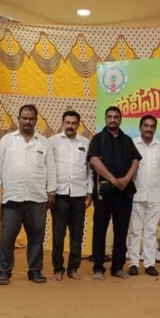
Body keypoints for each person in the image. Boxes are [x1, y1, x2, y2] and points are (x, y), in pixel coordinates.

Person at [0, 104, 56, 285]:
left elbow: (51, 168)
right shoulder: (7, 141)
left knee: (36, 238)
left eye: (31, 119)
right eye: (24, 118)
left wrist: (51, 191)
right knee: (7, 238)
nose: (27, 121)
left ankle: (35, 271)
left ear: (36, 121)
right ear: (18, 119)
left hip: (37, 198)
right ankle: (4, 272)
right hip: (13, 197)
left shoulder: (44, 142)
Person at [87, 106, 141, 280]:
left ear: (120, 119)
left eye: (116, 117)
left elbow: (135, 161)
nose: (112, 119)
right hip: (104, 192)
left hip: (124, 192)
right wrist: (112, 179)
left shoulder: (127, 140)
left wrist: (126, 179)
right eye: (109, 116)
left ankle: (117, 267)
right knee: (99, 230)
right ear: (105, 118)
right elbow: (94, 161)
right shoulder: (98, 138)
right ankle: (98, 267)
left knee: (121, 230)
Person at [49, 110, 93, 281]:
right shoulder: (52, 141)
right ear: (62, 123)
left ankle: (73, 268)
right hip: (59, 194)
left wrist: (89, 191)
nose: (70, 126)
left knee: (77, 234)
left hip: (79, 194)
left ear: (78, 125)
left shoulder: (85, 143)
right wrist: (50, 191)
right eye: (67, 123)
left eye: (73, 123)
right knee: (58, 235)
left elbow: (90, 169)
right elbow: (48, 167)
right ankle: (58, 268)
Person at [128, 114, 160, 276]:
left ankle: (150, 264)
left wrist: (151, 182)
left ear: (155, 128)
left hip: (154, 195)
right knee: (135, 231)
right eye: (146, 125)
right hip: (136, 194)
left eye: (152, 126)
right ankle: (133, 263)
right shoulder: (132, 144)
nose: (149, 129)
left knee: (151, 231)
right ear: (140, 127)